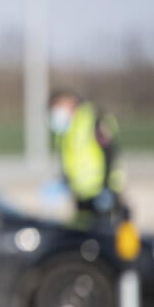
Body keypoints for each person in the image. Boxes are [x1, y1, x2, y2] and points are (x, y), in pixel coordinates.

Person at [48, 90, 127, 226]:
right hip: (81, 193)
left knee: (107, 234)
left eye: (57, 108)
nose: (56, 113)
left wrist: (106, 186)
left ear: (69, 102)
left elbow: (109, 152)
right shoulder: (66, 129)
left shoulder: (92, 119)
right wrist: (64, 181)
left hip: (102, 190)